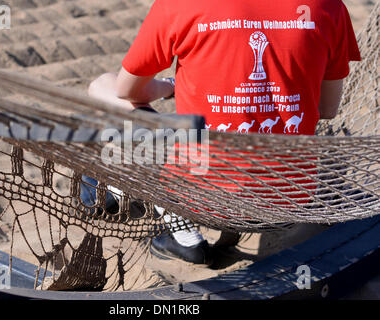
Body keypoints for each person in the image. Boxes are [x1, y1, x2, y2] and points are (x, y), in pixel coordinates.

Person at [88, 0, 361, 264]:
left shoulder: (179, 4)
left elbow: (127, 91)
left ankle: (147, 205)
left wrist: (169, 86)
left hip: (200, 199)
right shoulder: (328, 6)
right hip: (290, 200)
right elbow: (327, 109)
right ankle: (148, 207)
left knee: (102, 86)